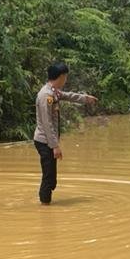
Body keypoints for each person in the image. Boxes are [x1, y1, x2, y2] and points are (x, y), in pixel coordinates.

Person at [32, 61, 97, 206]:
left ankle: (46, 201)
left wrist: (86, 99)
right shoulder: (45, 96)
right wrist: (55, 146)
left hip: (49, 141)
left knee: (51, 179)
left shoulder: (53, 91)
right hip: (44, 141)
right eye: (65, 77)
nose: (66, 80)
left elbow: (69, 96)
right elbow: (47, 124)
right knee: (49, 177)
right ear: (60, 77)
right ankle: (44, 207)